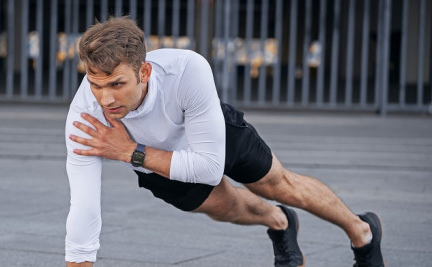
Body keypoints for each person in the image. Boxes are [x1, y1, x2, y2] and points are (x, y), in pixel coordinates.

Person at [64, 17, 384, 267]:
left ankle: (362, 232)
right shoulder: (85, 115)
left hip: (211, 135)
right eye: (95, 85)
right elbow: (84, 205)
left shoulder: (187, 68)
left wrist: (129, 151)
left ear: (144, 71)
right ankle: (280, 222)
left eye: (117, 84)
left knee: (280, 186)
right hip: (156, 167)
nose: (105, 99)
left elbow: (209, 168)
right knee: (227, 208)